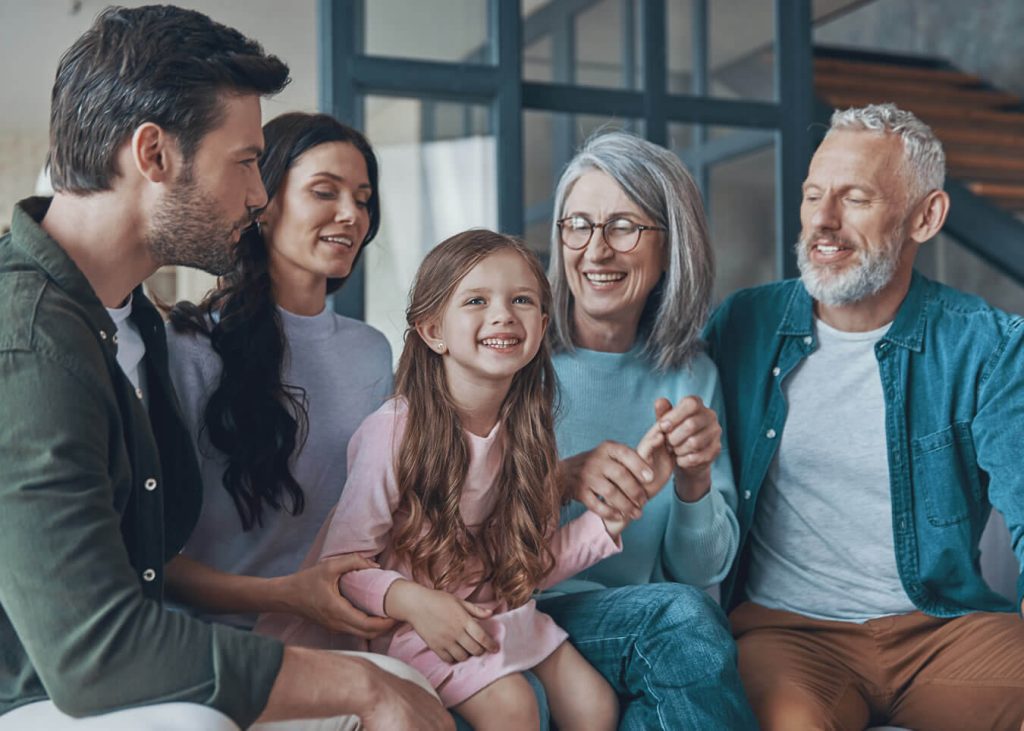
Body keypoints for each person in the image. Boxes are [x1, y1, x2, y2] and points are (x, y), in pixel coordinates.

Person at [0, 6, 451, 730]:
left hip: (135, 664)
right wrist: (356, 686)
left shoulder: (132, 319)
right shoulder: (28, 343)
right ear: (153, 155)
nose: (256, 194)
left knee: (405, 683)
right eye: (245, 161)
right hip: (39, 691)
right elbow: (95, 656)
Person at [262, 230, 676, 731]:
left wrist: (612, 515)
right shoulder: (395, 431)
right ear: (433, 330)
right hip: (408, 624)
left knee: (594, 706)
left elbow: (523, 571)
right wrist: (415, 601)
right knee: (512, 707)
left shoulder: (527, 436)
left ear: (543, 326)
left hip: (497, 616)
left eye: (521, 300)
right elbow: (341, 569)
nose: (503, 314)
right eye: (477, 300)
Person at [704, 103, 1024, 731]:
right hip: (788, 635)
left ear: (925, 217)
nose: (822, 222)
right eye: (813, 195)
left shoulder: (987, 347)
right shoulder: (743, 325)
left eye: (854, 198)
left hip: (942, 628)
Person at [537, 131, 757, 729]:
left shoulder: (693, 377)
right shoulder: (516, 358)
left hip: (644, 638)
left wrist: (693, 482)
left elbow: (701, 570)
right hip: (531, 615)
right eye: (577, 225)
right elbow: (450, 526)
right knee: (681, 620)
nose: (596, 250)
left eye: (624, 227)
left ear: (671, 247)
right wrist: (561, 479)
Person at [165, 112, 395, 640]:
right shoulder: (192, 349)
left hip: (348, 634)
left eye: (362, 199)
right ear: (262, 204)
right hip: (223, 642)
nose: (350, 215)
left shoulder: (372, 352)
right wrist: (288, 596)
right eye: (324, 192)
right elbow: (153, 558)